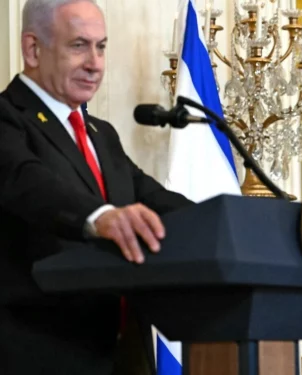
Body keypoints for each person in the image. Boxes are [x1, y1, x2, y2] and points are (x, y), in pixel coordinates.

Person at [0, 0, 193, 374]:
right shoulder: (8, 119)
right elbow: (28, 182)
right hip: (39, 354)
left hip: (122, 356)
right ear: (33, 49)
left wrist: (227, 220)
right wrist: (99, 217)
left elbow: (153, 198)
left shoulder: (101, 135)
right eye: (79, 45)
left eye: (101, 46)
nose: (95, 63)